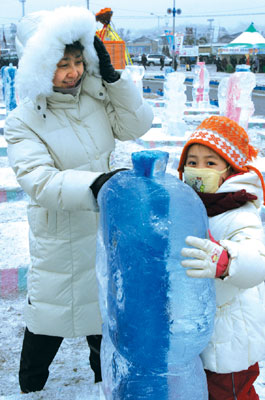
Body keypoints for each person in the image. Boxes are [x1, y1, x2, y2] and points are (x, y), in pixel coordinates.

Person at [4, 6, 153, 394]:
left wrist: (115, 80)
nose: (73, 72)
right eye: (61, 64)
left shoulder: (95, 99)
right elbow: (39, 181)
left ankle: (106, 387)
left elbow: (136, 125)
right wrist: (99, 184)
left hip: (103, 231)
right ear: (37, 67)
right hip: (60, 241)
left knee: (102, 322)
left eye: (77, 61)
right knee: (47, 323)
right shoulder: (23, 121)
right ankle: (30, 388)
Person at [177, 115, 265, 400]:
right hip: (196, 330)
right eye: (192, 162)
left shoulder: (239, 211)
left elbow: (258, 259)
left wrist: (227, 261)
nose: (199, 170)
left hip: (230, 337)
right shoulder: (185, 205)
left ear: (229, 169)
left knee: (232, 394)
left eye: (210, 163)